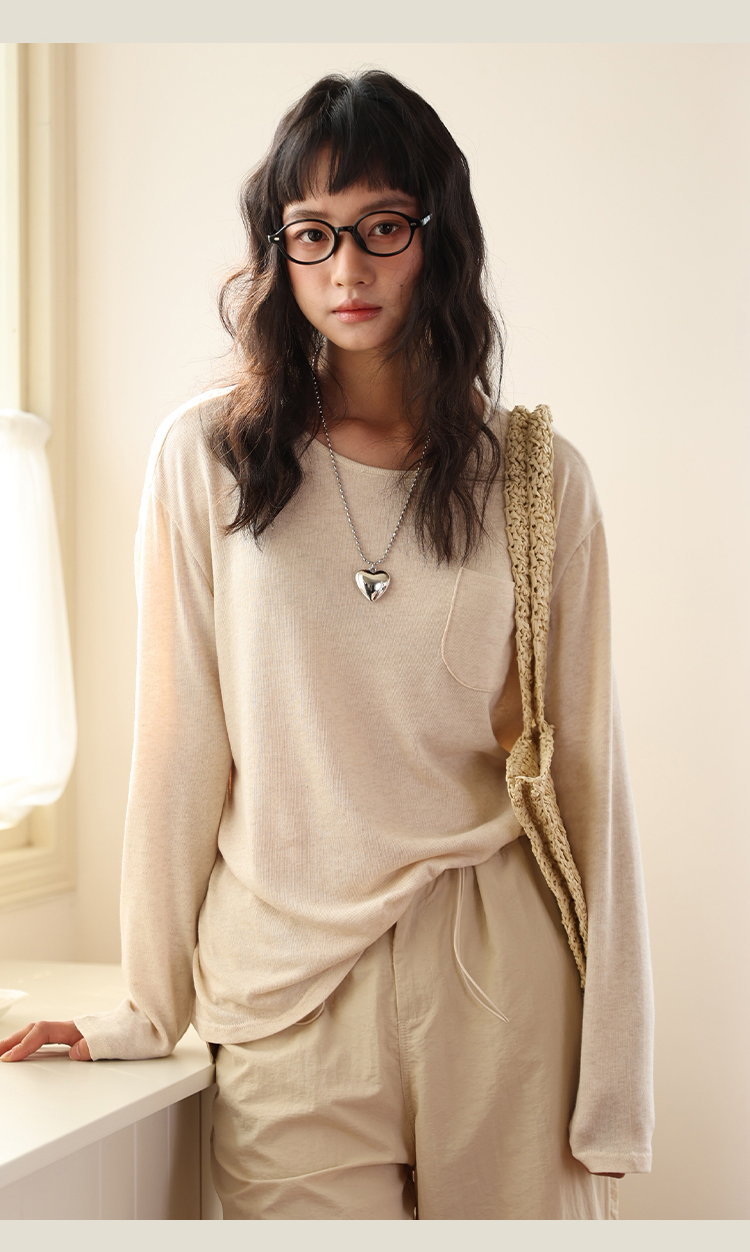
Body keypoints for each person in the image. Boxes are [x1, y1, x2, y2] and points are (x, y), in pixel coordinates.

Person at [0, 70, 654, 1220]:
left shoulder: (540, 480)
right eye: (313, 233)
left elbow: (589, 777)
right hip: (284, 995)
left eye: (382, 227)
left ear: (437, 237)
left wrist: (617, 1081)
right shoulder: (206, 459)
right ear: (279, 251)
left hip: (499, 975)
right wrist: (148, 1002)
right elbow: (178, 746)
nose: (347, 269)